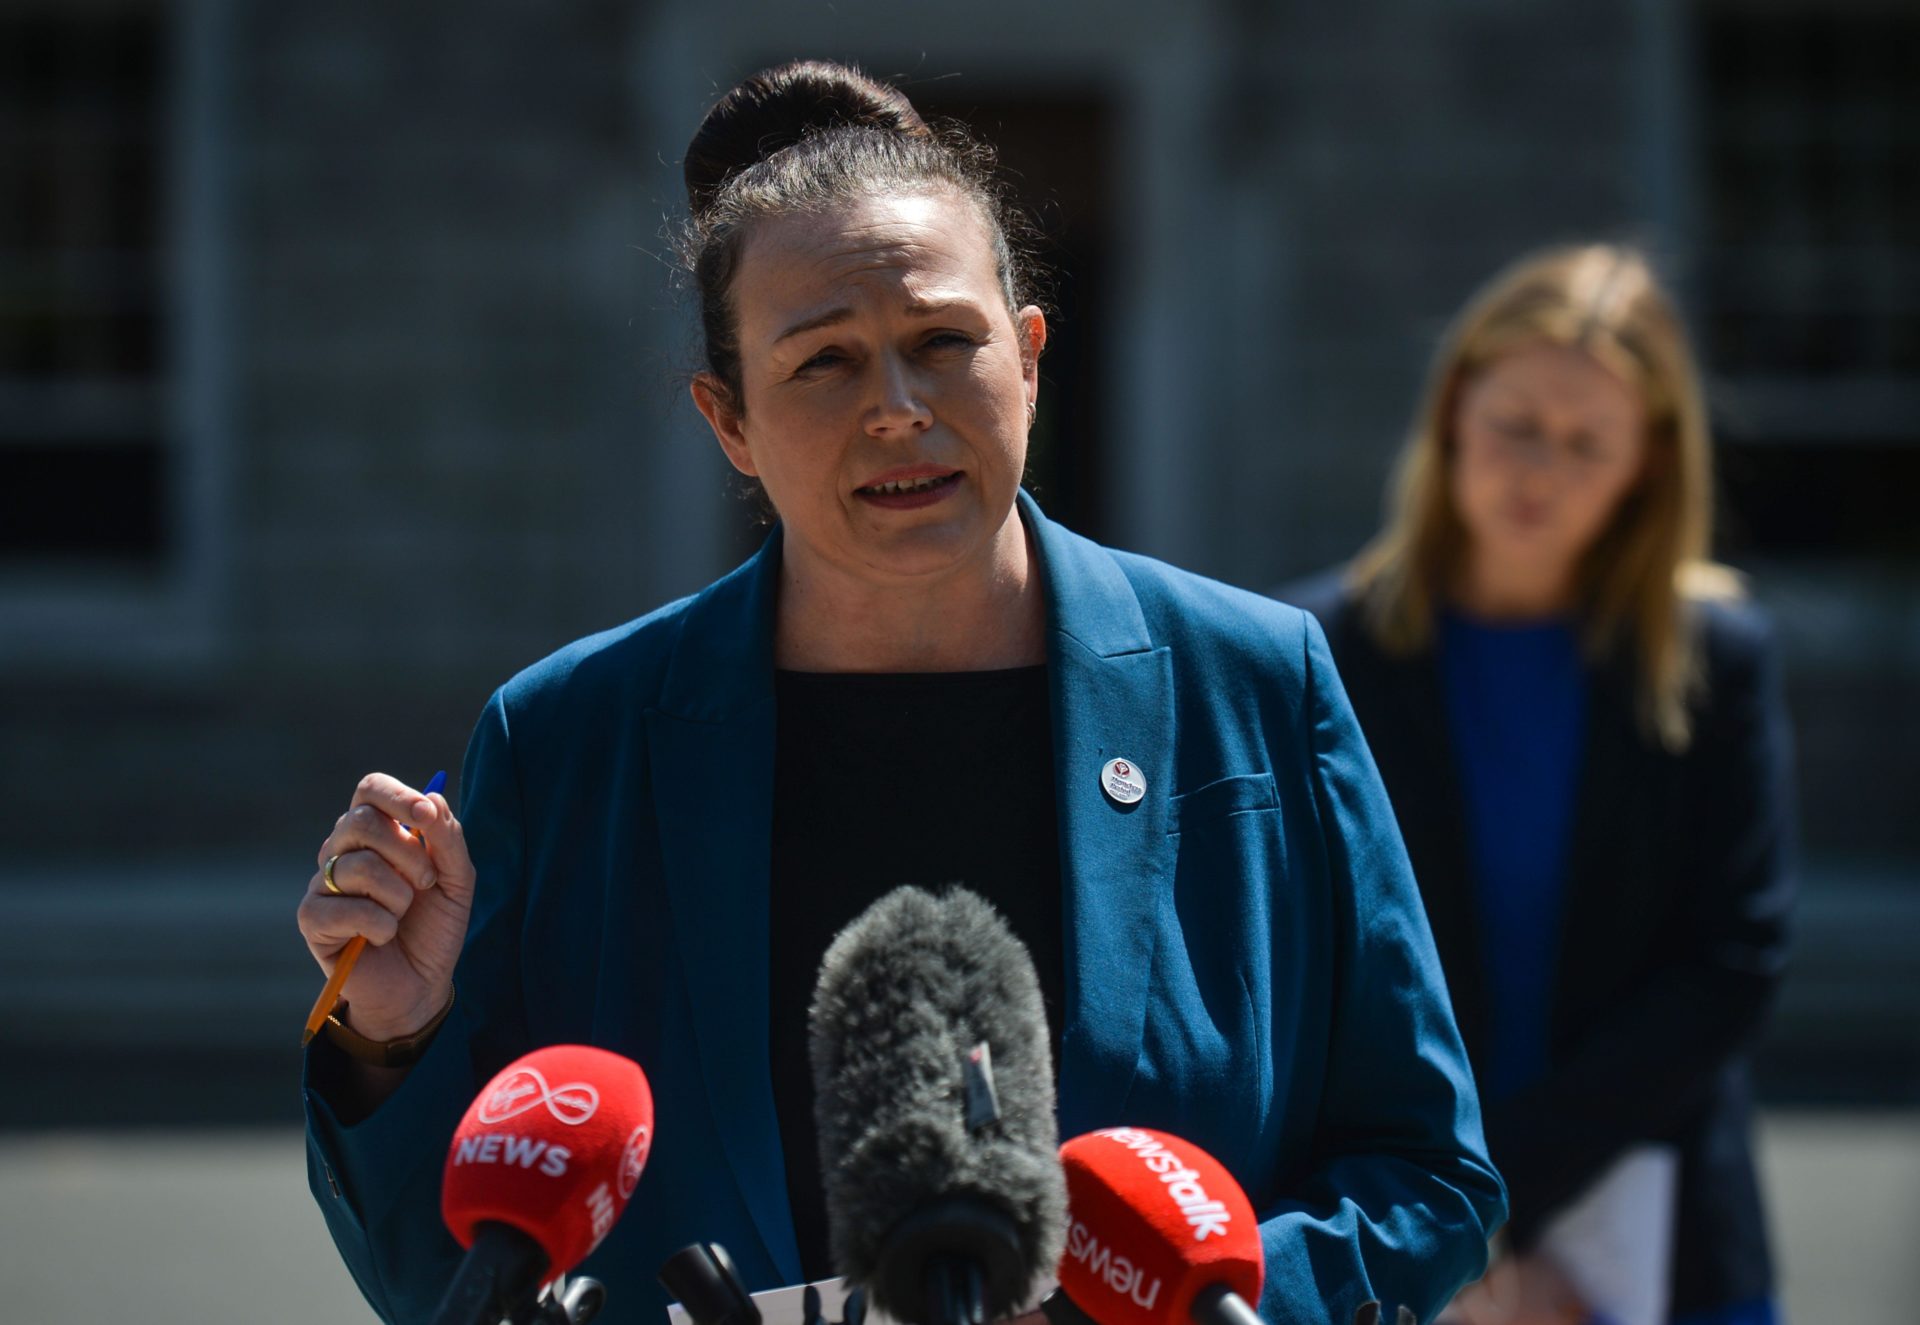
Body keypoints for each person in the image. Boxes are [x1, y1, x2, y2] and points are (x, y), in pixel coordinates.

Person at [297, 60, 1505, 1325]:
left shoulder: (1255, 683)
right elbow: (449, 1280)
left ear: (1029, 358)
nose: (898, 408)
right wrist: (394, 1039)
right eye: (823, 363)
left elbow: (1429, 1175)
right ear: (730, 420)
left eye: (944, 342)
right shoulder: (564, 739)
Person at [1282, 246, 1795, 1325]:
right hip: (1391, 1231)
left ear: (1647, 464)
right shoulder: (1307, 651)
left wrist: (1504, 1205)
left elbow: (1733, 959)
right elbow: (1295, 967)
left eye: (1585, 444)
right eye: (1518, 425)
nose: (1540, 472)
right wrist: (1454, 1230)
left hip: (1660, 1242)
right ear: (1456, 406)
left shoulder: (1716, 657)